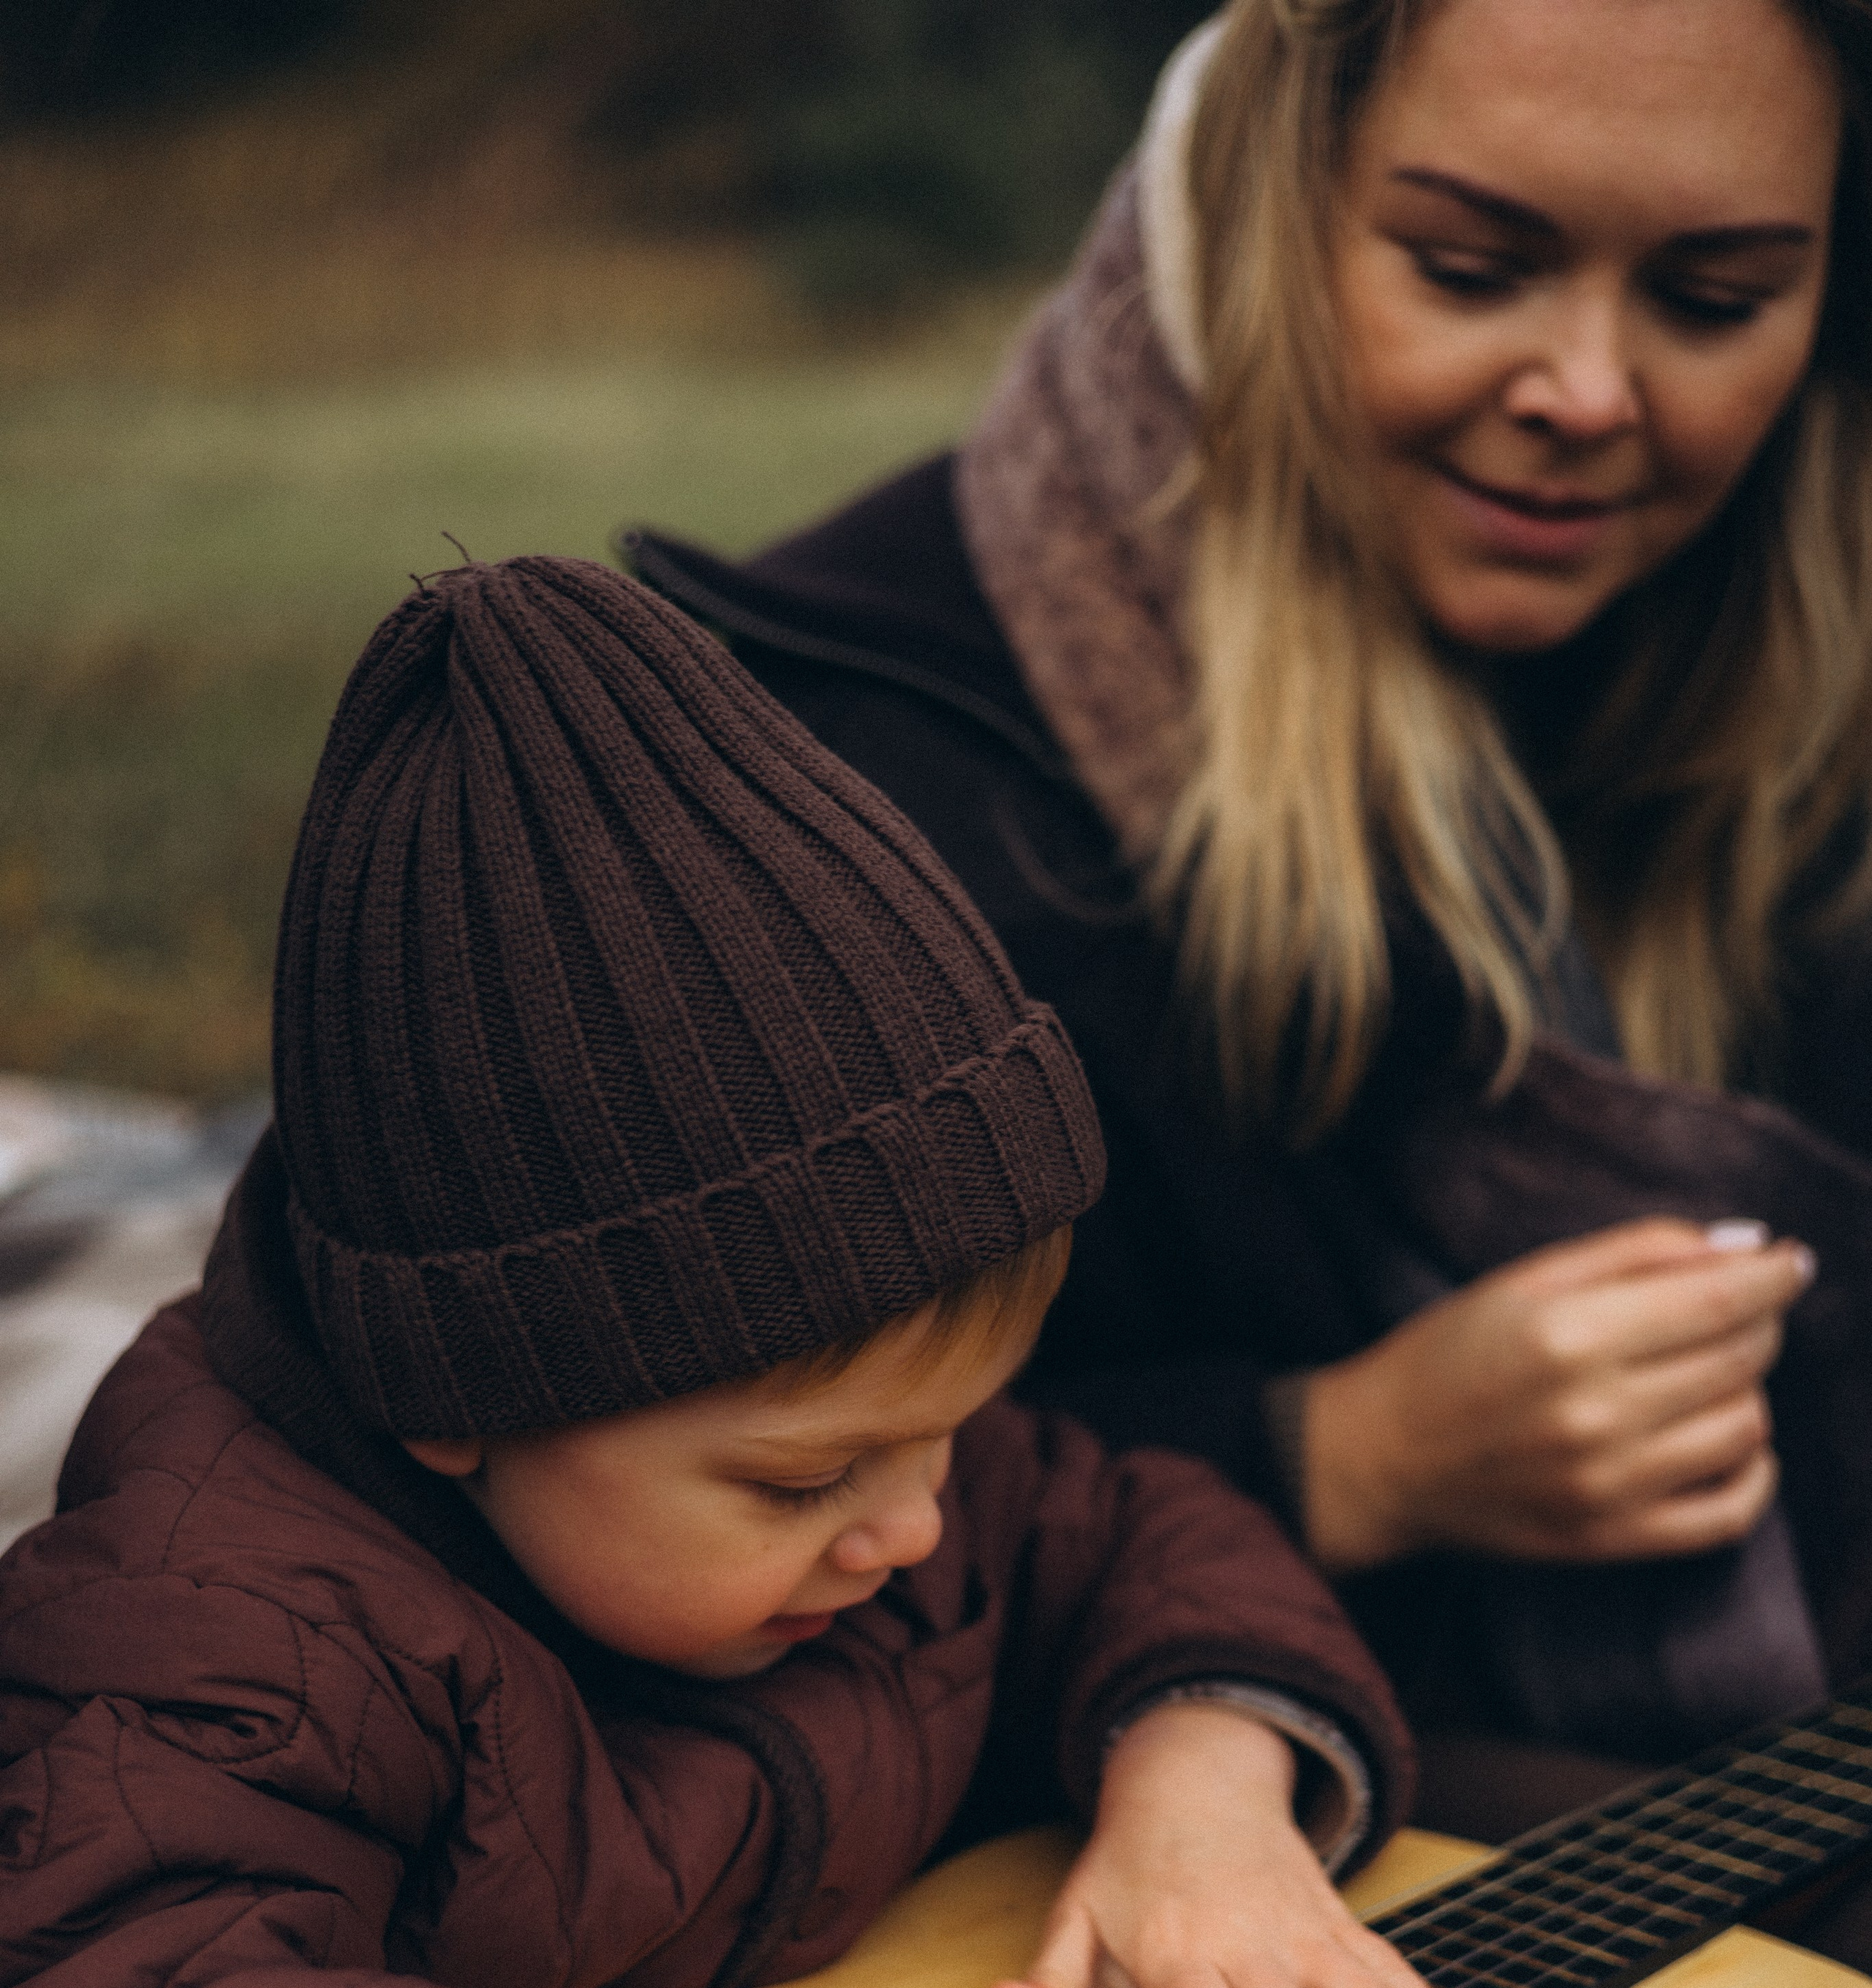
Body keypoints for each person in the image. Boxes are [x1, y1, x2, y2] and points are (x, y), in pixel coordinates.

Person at [0, 557, 1458, 1988]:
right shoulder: (233, 1620)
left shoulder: (887, 1495)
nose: (916, 1531)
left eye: (951, 1432)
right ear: (458, 1398)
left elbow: (1124, 1522)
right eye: (806, 1480)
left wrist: (1204, 1776)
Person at [632, 0, 1872, 1844]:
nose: (1589, 393)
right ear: (1255, 208)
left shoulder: (1796, 709)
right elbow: (693, 1515)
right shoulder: (832, 776)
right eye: (1468, 268)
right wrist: (1346, 1454)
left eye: (1713, 302)